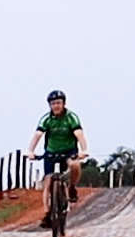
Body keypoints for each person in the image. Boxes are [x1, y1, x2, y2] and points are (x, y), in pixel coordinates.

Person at [25, 89, 88, 217]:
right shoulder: (46, 119)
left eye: (58, 103)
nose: (56, 106)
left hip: (69, 150)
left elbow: (79, 134)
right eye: (53, 103)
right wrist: (30, 151)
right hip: (51, 152)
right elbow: (38, 134)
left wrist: (84, 150)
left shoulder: (71, 117)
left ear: (64, 104)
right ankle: (47, 213)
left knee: (75, 166)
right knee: (48, 182)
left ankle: (71, 187)